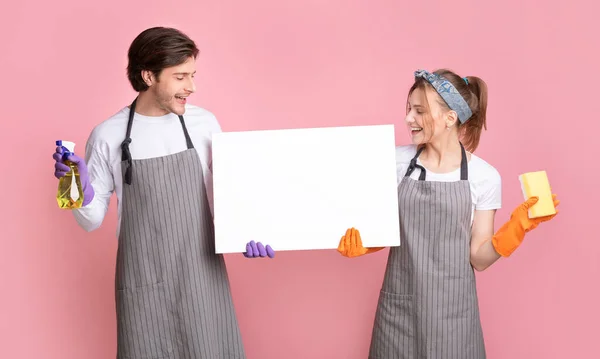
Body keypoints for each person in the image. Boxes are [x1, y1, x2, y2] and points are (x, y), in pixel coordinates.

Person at [52, 26, 274, 359]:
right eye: (181, 77)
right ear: (148, 76)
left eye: (193, 75)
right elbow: (91, 220)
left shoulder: (204, 125)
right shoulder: (107, 135)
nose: (192, 87)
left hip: (202, 279)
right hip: (143, 284)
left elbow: (224, 199)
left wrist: (249, 235)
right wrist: (76, 185)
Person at [337, 69, 560, 358]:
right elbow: (386, 229)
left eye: (419, 111)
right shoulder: (395, 161)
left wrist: (516, 228)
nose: (408, 119)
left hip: (455, 316)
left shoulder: (484, 176)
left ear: (449, 118)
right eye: (408, 109)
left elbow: (478, 259)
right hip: (399, 312)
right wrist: (364, 244)